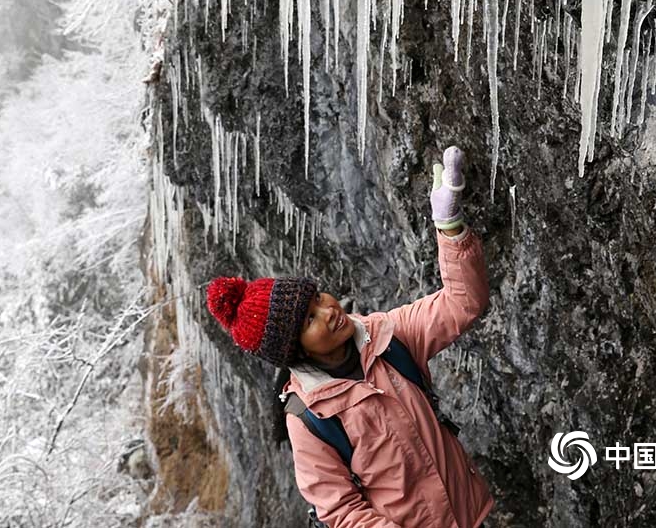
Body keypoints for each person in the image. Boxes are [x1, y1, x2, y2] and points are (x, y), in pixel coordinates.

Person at [205, 146, 494, 528]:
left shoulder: (389, 338)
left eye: (318, 298)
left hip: (470, 515)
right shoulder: (309, 419)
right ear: (295, 349)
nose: (329, 311)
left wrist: (450, 227)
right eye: (310, 319)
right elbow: (341, 511)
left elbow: (463, 303)